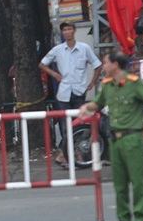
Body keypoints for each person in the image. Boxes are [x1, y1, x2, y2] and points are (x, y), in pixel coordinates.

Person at [79, 52, 143, 221]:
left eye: (106, 63)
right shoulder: (107, 85)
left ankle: (140, 218)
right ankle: (124, 219)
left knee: (137, 180)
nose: (104, 67)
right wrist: (86, 107)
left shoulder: (134, 83)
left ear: (115, 64)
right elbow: (98, 104)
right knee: (119, 182)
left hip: (132, 137)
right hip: (115, 139)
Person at [39, 22, 103, 166]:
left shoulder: (84, 48)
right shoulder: (58, 50)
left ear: (74, 31)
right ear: (62, 33)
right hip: (64, 93)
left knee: (79, 123)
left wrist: (92, 82)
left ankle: (68, 154)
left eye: (69, 29)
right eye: (65, 30)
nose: (67, 32)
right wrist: (54, 74)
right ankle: (71, 154)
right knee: (65, 124)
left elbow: (98, 65)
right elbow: (42, 64)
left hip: (79, 91)